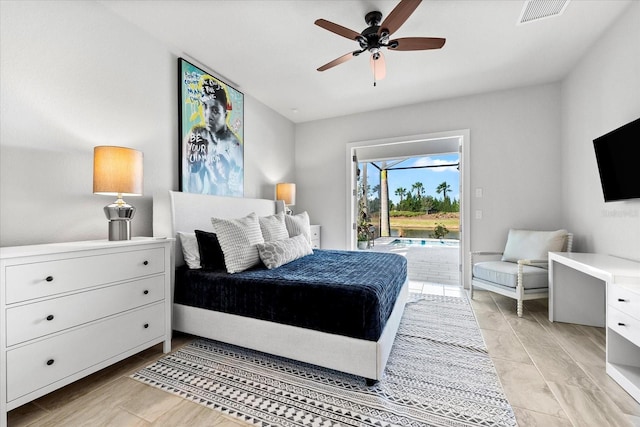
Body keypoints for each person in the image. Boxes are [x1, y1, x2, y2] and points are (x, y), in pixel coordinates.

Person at [184, 76, 243, 195]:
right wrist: (195, 168)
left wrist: (225, 180)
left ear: (225, 114)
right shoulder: (198, 135)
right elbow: (194, 191)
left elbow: (236, 192)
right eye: (205, 106)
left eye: (215, 110)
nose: (208, 115)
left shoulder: (234, 146)